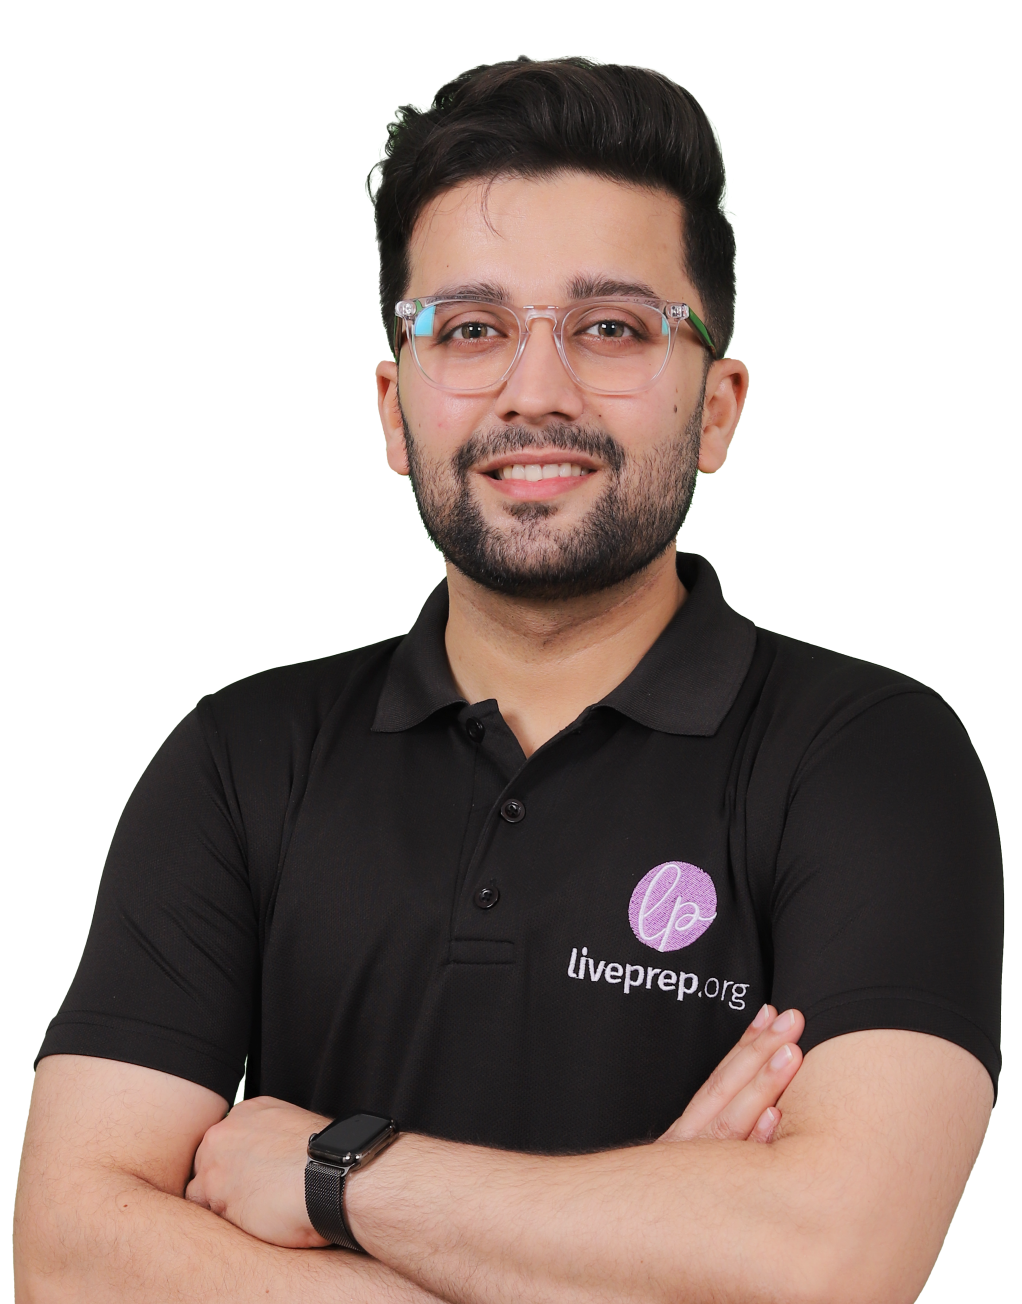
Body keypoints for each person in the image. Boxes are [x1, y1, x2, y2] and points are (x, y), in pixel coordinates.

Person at [14, 57, 1001, 1304]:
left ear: (715, 406)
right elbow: (69, 1252)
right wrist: (644, 1252)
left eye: (611, 327)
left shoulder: (870, 757)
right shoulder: (240, 759)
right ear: (394, 406)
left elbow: (829, 1257)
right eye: (470, 329)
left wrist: (333, 1174)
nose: (536, 392)